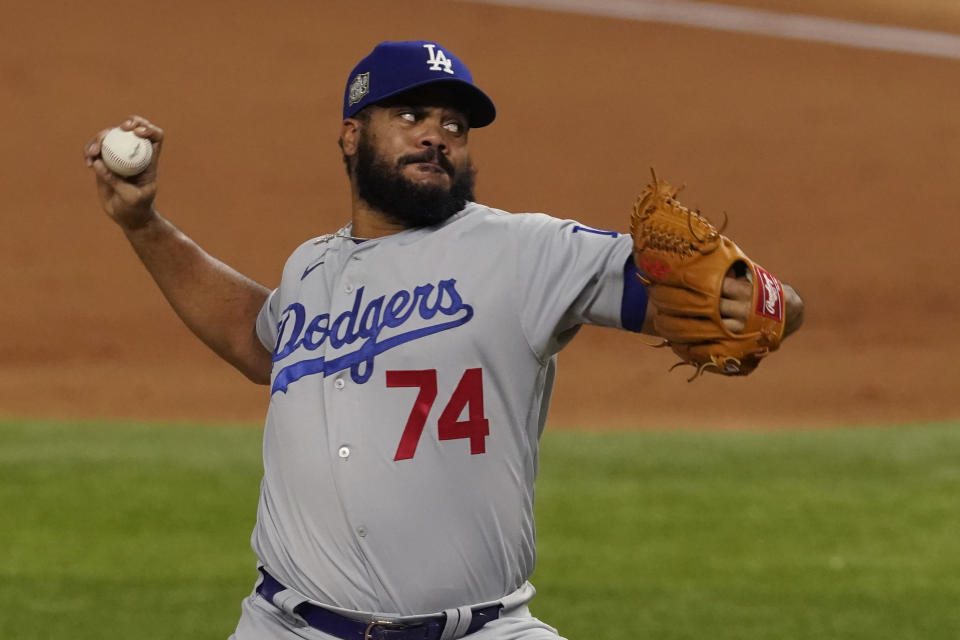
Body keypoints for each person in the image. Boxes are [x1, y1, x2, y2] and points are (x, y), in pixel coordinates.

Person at [84, 40, 804, 640]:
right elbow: (258, 337)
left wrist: (764, 301)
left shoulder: (526, 251)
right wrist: (144, 225)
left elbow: (752, 304)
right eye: (410, 114)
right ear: (350, 135)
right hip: (285, 626)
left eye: (455, 125)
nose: (437, 133)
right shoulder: (312, 266)